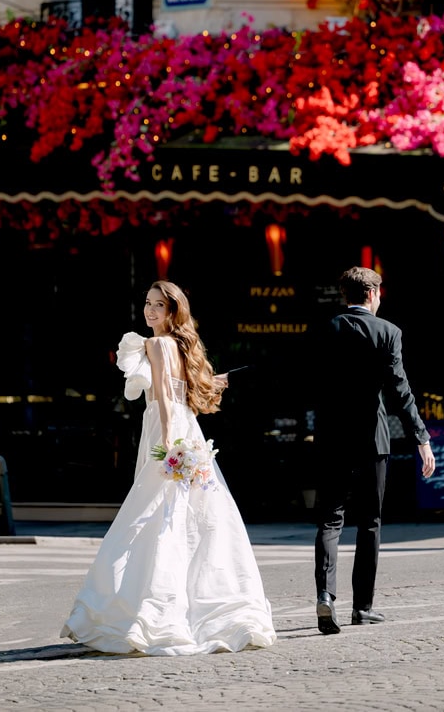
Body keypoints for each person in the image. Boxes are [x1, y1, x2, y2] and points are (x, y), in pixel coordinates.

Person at [61, 280, 276, 654]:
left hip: (168, 426)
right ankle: (201, 603)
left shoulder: (159, 344)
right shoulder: (181, 344)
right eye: (147, 303)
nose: (150, 311)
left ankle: (146, 607)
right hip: (187, 425)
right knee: (190, 513)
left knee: (153, 513)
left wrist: (167, 441)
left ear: (172, 311)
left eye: (158, 305)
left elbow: (161, 390)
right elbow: (187, 387)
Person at [313, 266, 436, 634]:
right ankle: (361, 607)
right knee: (369, 522)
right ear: (372, 294)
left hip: (332, 439)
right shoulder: (389, 333)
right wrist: (422, 438)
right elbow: (401, 391)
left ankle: (325, 596)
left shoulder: (328, 327)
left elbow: (303, 375)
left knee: (330, 520)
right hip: (372, 439)